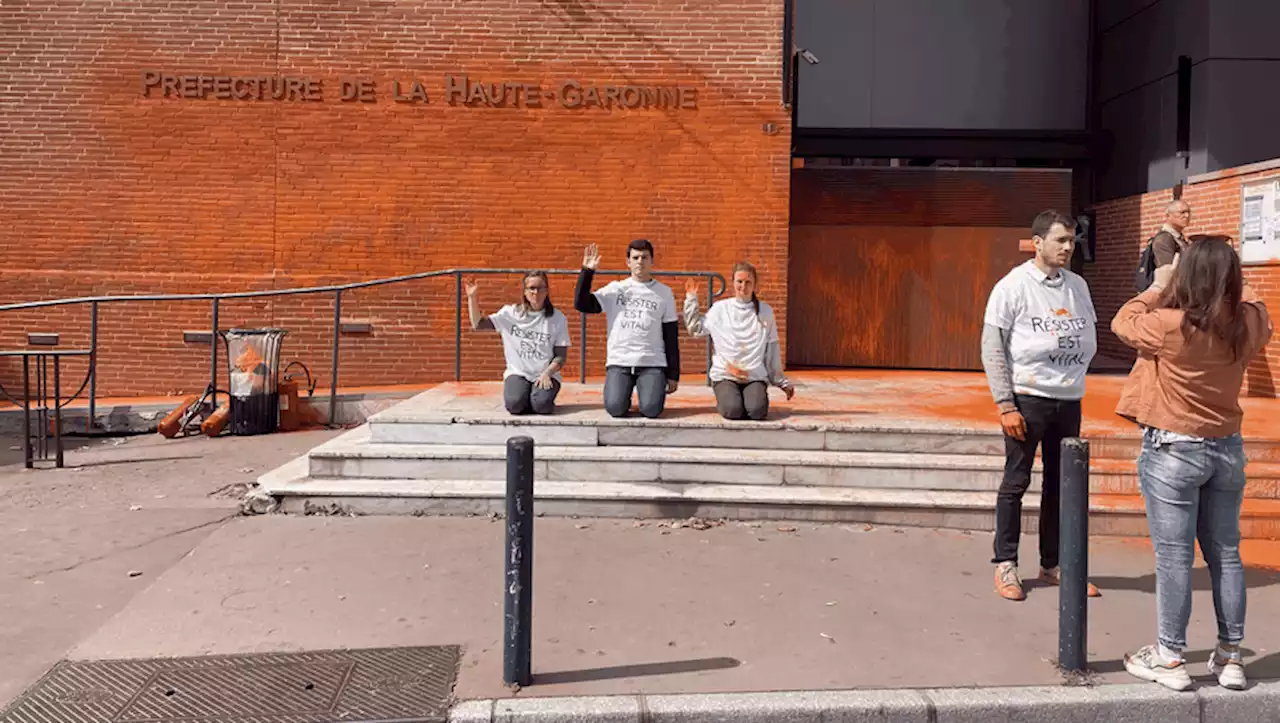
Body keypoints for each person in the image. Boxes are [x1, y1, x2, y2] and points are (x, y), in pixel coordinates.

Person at [1112, 236, 1272, 692]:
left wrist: (1162, 282)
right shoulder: (1247, 323)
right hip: (1226, 448)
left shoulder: (1167, 324)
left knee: (1176, 558)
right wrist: (1232, 276)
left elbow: (1123, 320)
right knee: (1226, 554)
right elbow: (1258, 304)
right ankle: (1230, 656)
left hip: (1173, 450)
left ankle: (1170, 657)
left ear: (1189, 276)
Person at [981, 209, 1102, 602]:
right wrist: (1005, 403)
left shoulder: (1078, 287)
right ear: (1037, 242)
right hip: (1027, 399)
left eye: (1072, 241)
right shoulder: (1012, 287)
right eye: (1060, 240)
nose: (1068, 247)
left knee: (1061, 486)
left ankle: (1053, 564)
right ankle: (1005, 564)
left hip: (1068, 400)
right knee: (1016, 482)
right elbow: (992, 347)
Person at [574, 239, 680, 418]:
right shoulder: (616, 289)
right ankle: (623, 396)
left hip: (652, 363)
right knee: (615, 409)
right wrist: (587, 271)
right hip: (620, 362)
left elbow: (671, 334)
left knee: (652, 410)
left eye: (645, 257)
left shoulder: (664, 293)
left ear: (652, 261)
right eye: (636, 257)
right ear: (628, 262)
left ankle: (648, 395)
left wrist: (673, 374)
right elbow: (582, 304)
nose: (640, 261)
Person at [682, 261, 794, 420]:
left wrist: (781, 382)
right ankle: (727, 397)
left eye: (748, 282)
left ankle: (750, 396)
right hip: (725, 375)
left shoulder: (765, 312)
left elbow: (772, 350)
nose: (743, 286)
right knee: (733, 411)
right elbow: (696, 329)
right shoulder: (720, 309)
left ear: (755, 284)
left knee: (756, 412)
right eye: (739, 281)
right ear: (733, 283)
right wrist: (691, 300)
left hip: (754, 376)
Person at [465, 271, 570, 415]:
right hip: (518, 372)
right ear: (525, 292)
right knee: (515, 405)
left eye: (540, 288)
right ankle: (526, 395)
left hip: (545, 374)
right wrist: (472, 297)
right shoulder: (510, 313)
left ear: (546, 291)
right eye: (531, 288)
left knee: (542, 407)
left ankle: (537, 397)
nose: (536, 292)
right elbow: (478, 324)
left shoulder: (557, 318)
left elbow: (561, 356)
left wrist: (547, 373)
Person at [1152, 200, 1192, 267]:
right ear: (1168, 216)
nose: (1187, 216)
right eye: (1182, 212)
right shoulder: (1163, 239)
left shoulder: (1179, 238)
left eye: (1188, 212)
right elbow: (1168, 270)